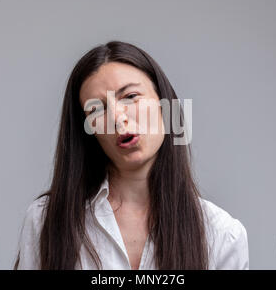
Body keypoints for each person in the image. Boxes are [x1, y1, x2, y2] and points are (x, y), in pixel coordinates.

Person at [14, 41, 249, 270]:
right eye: (97, 109)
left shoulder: (222, 235)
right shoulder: (46, 221)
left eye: (130, 96)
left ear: (163, 103)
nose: (118, 118)